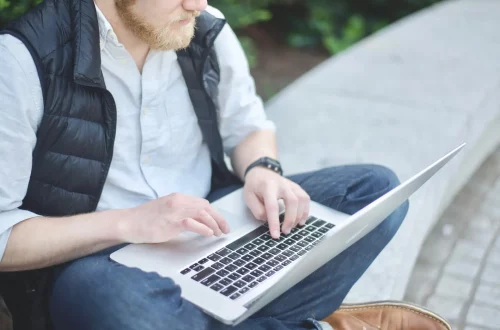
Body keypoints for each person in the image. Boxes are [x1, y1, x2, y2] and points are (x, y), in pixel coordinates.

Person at [0, 0, 451, 329]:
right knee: (125, 310)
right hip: (101, 262)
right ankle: (315, 324)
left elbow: (248, 126)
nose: (197, 4)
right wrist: (130, 223)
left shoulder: (202, 26)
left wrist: (262, 170)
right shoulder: (23, 59)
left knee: (377, 193)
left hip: (214, 225)